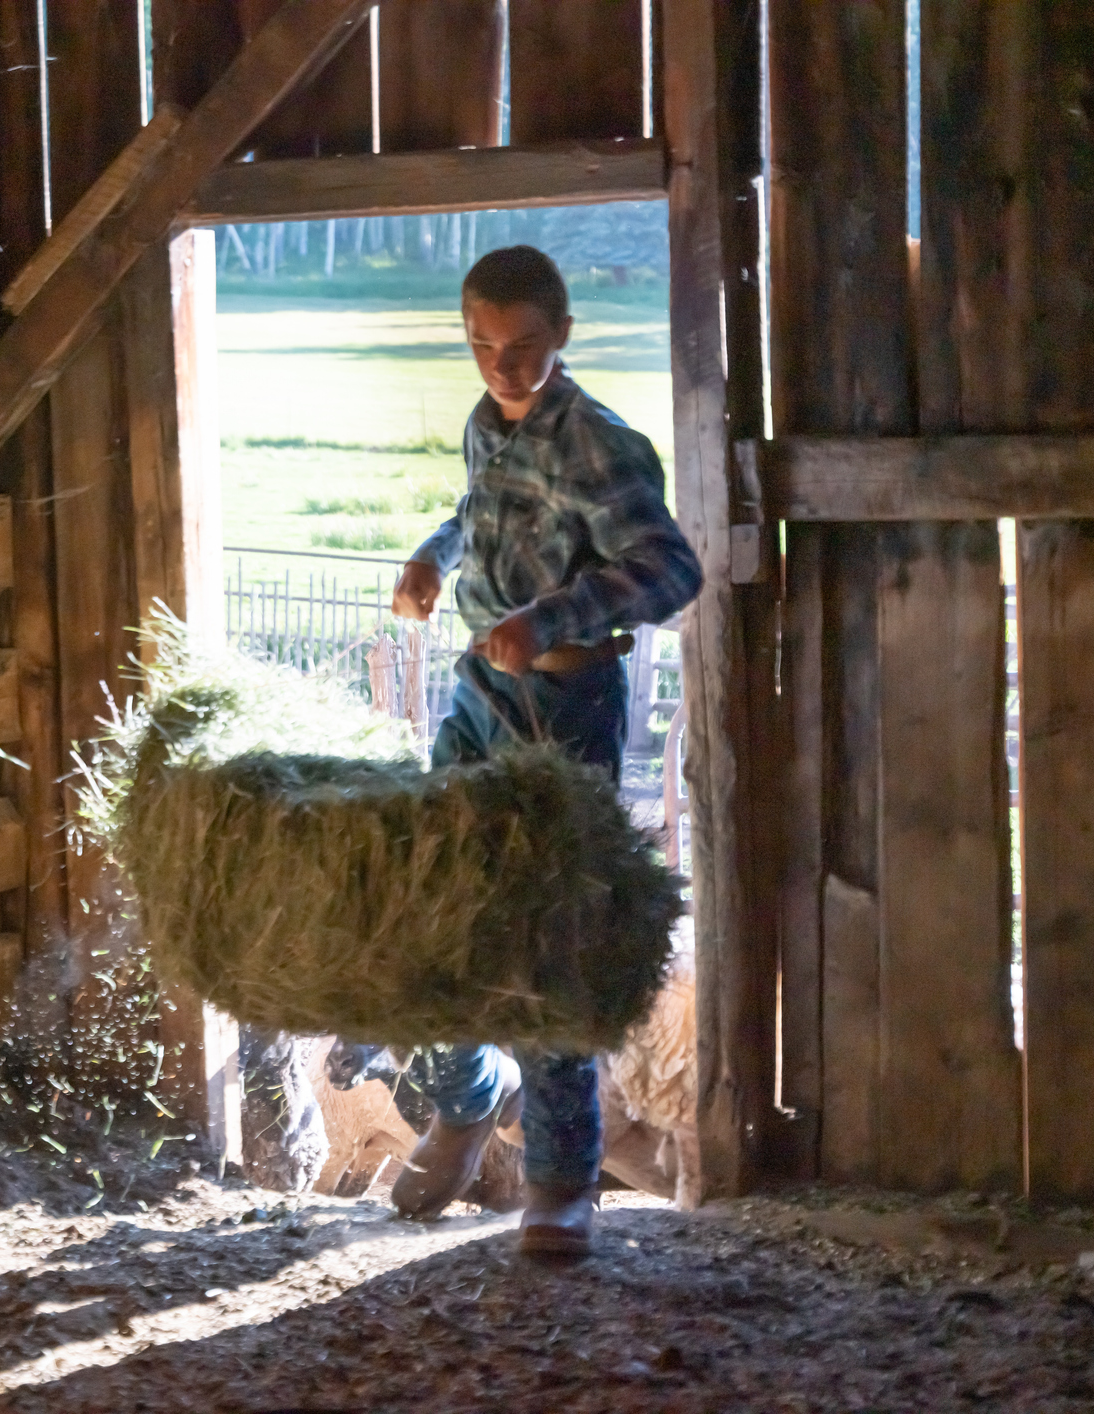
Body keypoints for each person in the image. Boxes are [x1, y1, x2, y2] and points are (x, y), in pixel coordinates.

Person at [389, 245, 702, 1257]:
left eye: (523, 347)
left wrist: (548, 613)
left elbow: (669, 567)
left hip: (564, 701)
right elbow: (477, 513)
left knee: (546, 933)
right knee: (433, 891)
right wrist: (434, 558)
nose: (502, 368)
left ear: (563, 333)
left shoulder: (601, 445)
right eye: (483, 346)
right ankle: (464, 1097)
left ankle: (560, 1181)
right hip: (481, 692)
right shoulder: (487, 425)